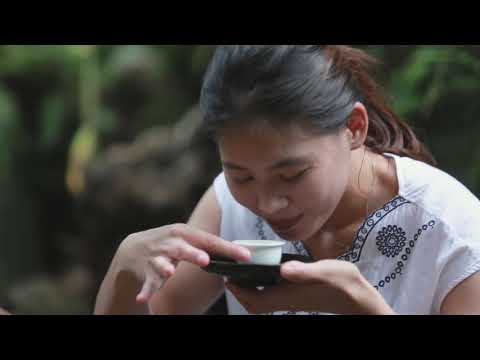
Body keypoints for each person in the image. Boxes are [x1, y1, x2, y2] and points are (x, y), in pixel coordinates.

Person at [95, 45, 480, 315]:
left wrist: (362, 308)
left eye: (292, 175)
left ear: (354, 128)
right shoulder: (228, 206)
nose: (266, 204)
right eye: (240, 175)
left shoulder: (452, 232)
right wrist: (125, 271)